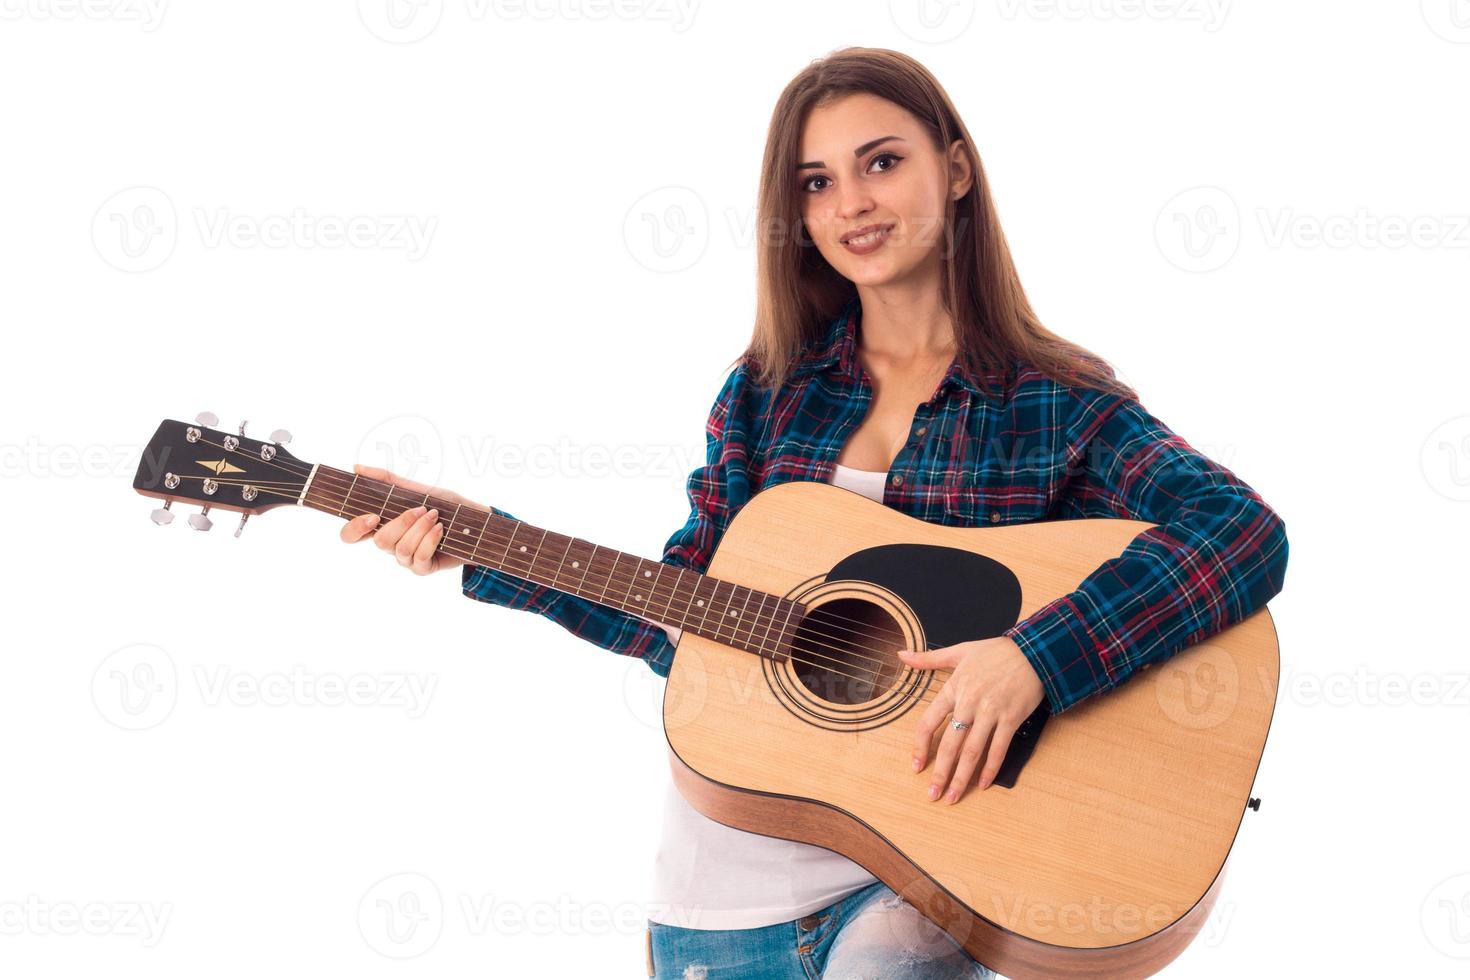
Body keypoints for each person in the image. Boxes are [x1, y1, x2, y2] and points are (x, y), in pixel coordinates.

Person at [339, 46, 1289, 980]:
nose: (852, 204)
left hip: (919, 902)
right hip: (715, 910)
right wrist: (482, 539)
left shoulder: (1052, 401)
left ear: (955, 168)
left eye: (882, 161)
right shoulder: (768, 392)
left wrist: (1036, 659)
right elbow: (685, 621)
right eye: (816, 182)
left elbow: (1240, 532)